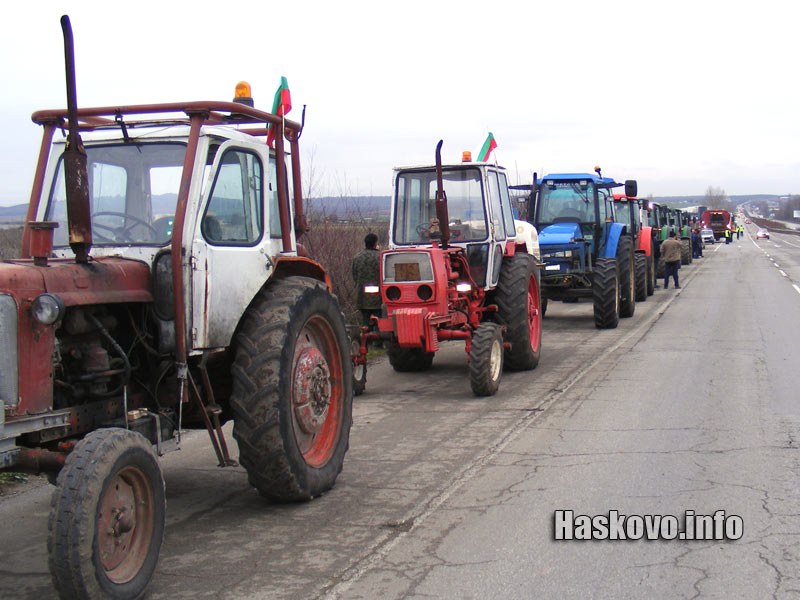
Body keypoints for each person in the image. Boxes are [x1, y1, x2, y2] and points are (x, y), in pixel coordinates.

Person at [352, 233, 382, 329]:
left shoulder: (357, 257)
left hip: (362, 297)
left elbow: (355, 276)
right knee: (378, 321)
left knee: (365, 322)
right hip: (379, 298)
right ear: (375, 243)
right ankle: (377, 342)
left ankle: (365, 340)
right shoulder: (381, 257)